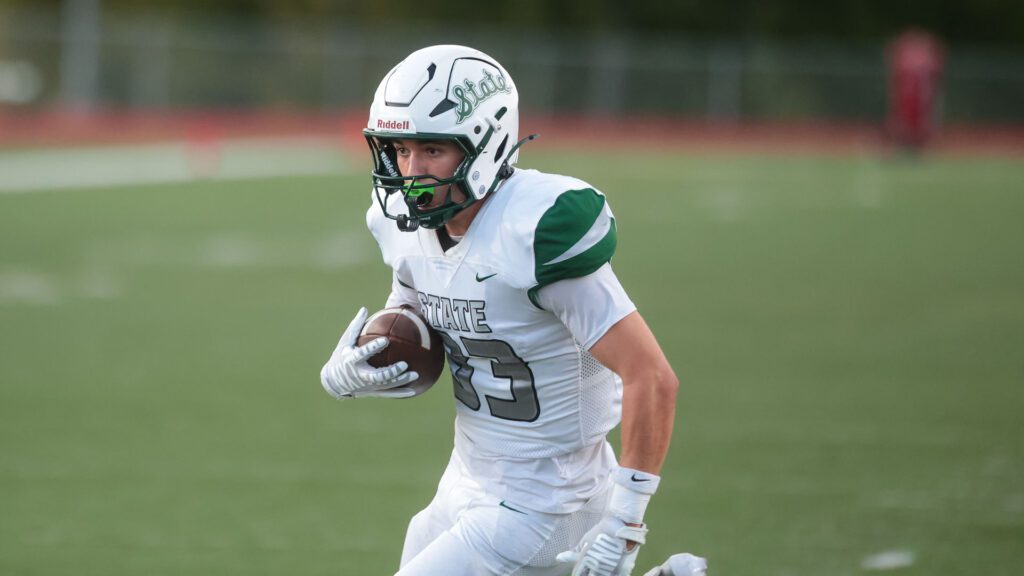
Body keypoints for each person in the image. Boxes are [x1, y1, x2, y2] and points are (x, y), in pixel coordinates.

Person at [320, 45, 683, 576]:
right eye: (400, 149)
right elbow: (413, 310)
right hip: (466, 476)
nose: (411, 171)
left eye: (432, 150)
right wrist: (357, 363)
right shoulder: (403, 225)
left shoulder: (533, 230)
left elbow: (651, 376)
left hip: (547, 498)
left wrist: (626, 524)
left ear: (486, 145)